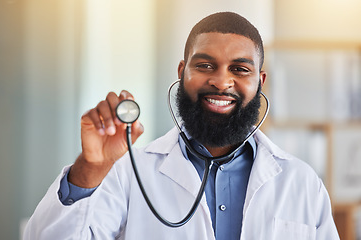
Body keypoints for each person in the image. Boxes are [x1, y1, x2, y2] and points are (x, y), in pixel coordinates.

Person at [24, 12, 339, 240]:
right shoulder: (125, 174)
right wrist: (91, 167)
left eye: (240, 69)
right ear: (182, 71)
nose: (221, 81)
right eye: (205, 65)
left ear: (260, 82)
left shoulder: (303, 184)